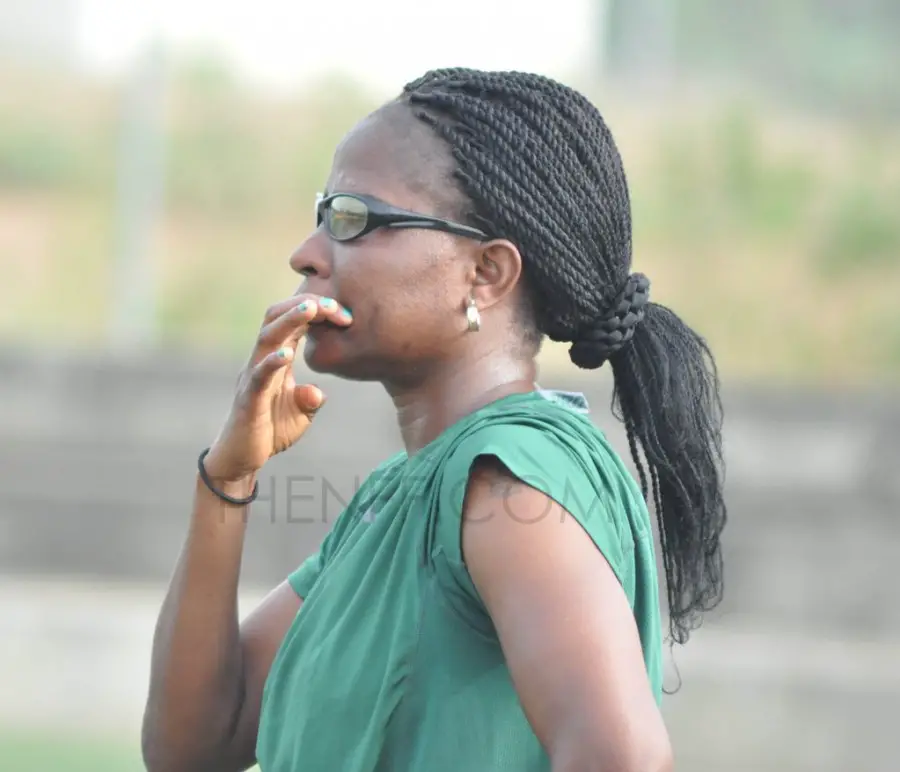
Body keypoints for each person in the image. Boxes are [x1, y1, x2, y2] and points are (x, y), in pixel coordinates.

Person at [141, 68, 726, 772]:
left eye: (353, 219)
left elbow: (621, 759)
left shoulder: (510, 480)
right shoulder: (401, 493)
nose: (307, 253)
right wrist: (228, 478)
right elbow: (198, 741)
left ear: (486, 273)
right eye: (322, 214)